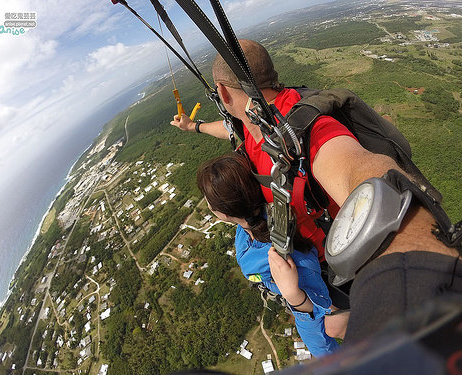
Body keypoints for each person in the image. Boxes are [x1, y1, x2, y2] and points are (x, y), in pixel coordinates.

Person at [174, 39, 462, 341]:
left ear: (221, 92)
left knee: (331, 328)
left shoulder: (306, 130)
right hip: (316, 253)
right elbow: (233, 128)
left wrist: (430, 281)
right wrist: (194, 127)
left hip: (339, 271)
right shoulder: (255, 119)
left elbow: (360, 171)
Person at [196, 152, 340, 356]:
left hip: (302, 302)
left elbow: (321, 316)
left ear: (225, 214)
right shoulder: (258, 223)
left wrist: (294, 296)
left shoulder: (285, 256)